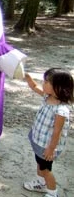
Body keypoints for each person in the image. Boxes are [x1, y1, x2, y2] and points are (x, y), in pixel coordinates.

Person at [23, 69, 74, 197]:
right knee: (40, 164)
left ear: (58, 87)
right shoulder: (47, 97)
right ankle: (41, 184)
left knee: (45, 170)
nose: (43, 83)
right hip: (39, 141)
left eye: (46, 82)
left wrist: (51, 149)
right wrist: (27, 76)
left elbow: (57, 132)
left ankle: (52, 193)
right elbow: (34, 87)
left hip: (48, 147)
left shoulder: (61, 110)